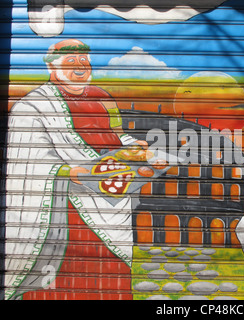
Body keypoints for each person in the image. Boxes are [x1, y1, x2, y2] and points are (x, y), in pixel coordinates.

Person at [4, 39, 147, 300]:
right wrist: (70, 173)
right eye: (71, 61)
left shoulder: (104, 98)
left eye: (84, 60)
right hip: (65, 208)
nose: (80, 67)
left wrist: (134, 146)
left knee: (108, 274)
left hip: (110, 196)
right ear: (52, 68)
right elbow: (30, 158)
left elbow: (116, 136)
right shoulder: (32, 106)